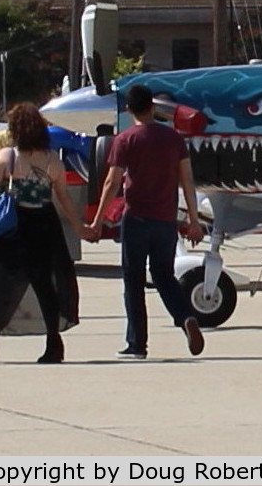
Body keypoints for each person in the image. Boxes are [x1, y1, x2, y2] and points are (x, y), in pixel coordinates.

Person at [83, 84, 206, 358]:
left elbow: (112, 182)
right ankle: (186, 316)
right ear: (152, 107)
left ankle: (137, 344)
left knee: (133, 280)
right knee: (164, 276)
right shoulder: (174, 139)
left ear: (129, 109)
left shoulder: (125, 139)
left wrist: (98, 220)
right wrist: (194, 220)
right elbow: (187, 180)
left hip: (136, 217)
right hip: (165, 219)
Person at [0, 102, 84, 363]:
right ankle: (54, 342)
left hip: (13, 228)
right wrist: (79, 226)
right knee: (45, 285)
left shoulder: (7, 155)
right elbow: (63, 196)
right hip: (44, 224)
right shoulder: (52, 159)